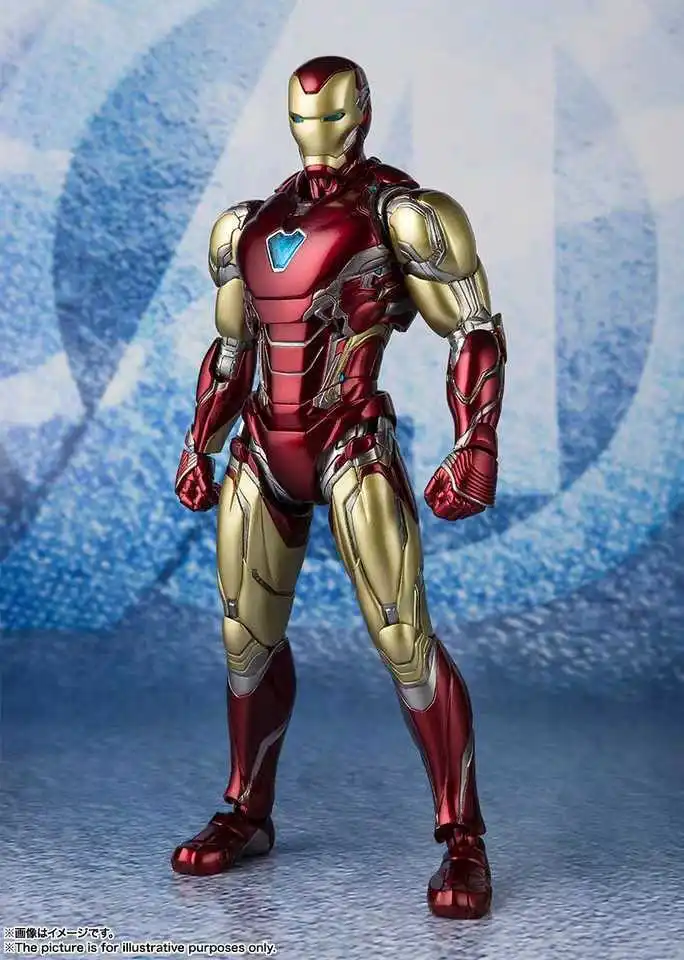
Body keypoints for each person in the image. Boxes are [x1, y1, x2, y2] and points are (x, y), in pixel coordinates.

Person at [172, 55, 506, 921]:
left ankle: (462, 837)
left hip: (350, 438)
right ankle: (247, 809)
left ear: (361, 114)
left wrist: (475, 441)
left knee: (403, 638)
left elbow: (471, 328)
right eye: (303, 118)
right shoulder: (246, 226)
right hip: (262, 446)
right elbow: (233, 351)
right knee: (245, 640)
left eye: (330, 116)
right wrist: (199, 442)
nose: (316, 133)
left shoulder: (404, 215)